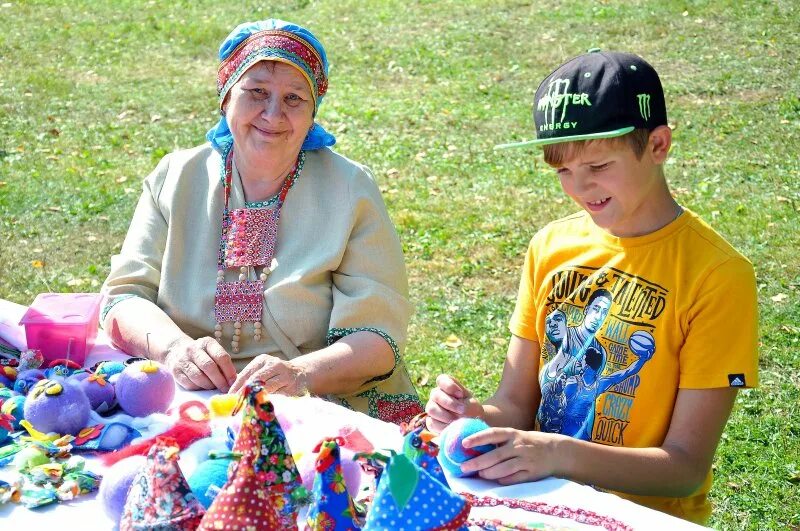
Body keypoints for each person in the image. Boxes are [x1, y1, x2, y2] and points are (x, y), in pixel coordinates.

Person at [425, 50, 758, 524]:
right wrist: (472, 417)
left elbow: (684, 467)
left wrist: (557, 454)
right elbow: (516, 405)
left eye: (598, 166)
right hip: (540, 504)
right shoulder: (550, 246)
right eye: (562, 171)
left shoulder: (717, 274)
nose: (580, 188)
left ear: (659, 144)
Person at [101, 19, 422, 425]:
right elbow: (123, 299)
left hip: (318, 408)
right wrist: (173, 350)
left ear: (312, 113)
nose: (273, 113)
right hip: (190, 400)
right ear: (226, 96)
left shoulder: (349, 189)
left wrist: (300, 373)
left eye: (294, 99)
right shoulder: (176, 177)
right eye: (256, 92)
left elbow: (379, 340)